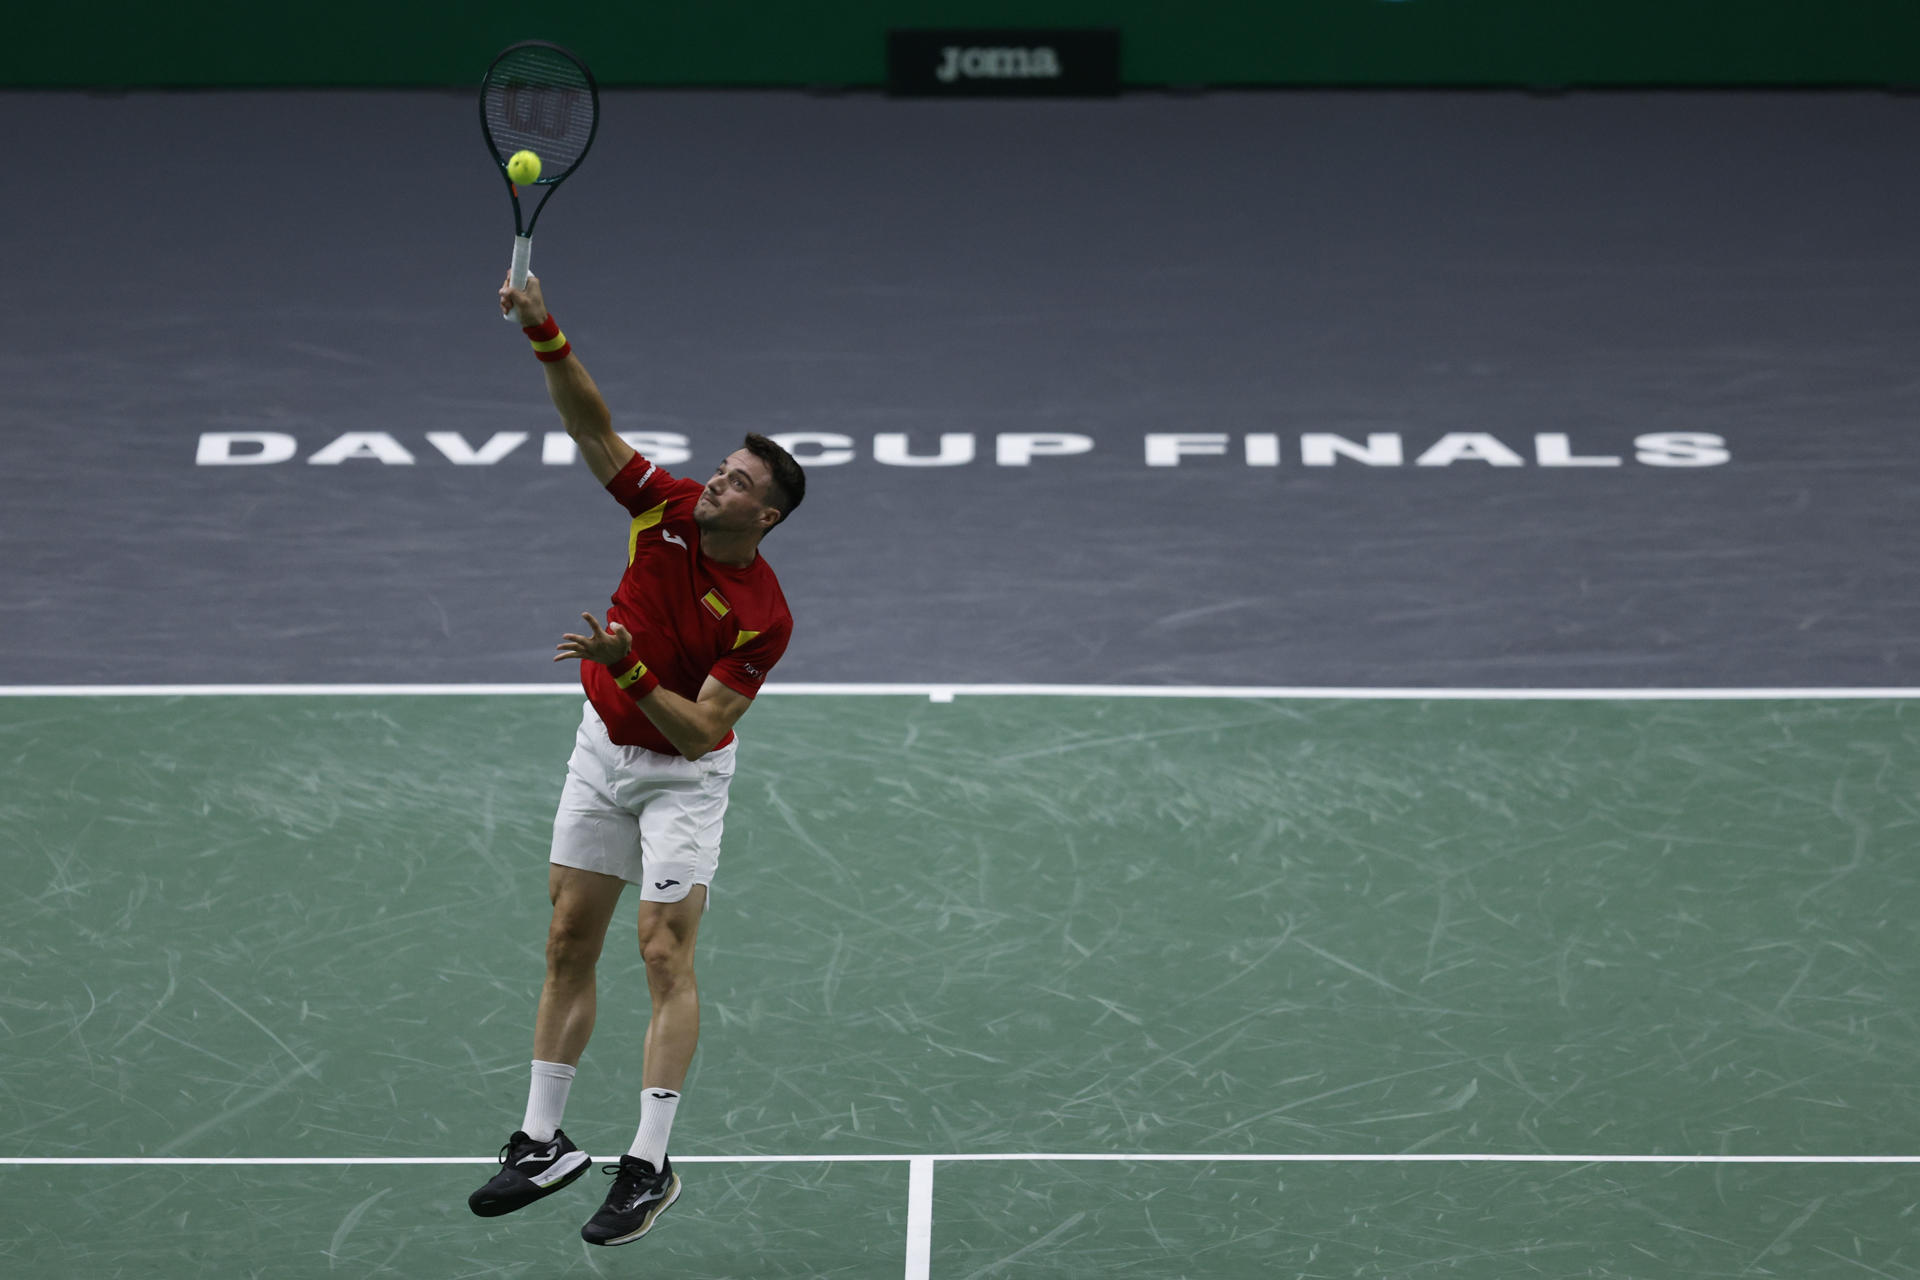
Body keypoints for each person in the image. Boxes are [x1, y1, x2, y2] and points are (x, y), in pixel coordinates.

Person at [467, 273, 805, 1247]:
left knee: (664, 950)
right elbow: (592, 428)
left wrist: (633, 662)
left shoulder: (762, 615)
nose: (716, 482)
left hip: (682, 779)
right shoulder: (664, 507)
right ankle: (541, 1141)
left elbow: (702, 730)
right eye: (722, 468)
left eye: (738, 482)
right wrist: (544, 334)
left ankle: (649, 1162)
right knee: (569, 937)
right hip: (598, 752)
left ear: (766, 516)